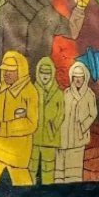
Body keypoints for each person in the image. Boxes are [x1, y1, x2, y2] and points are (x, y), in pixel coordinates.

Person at [0, 0, 90, 81]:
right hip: (11, 79)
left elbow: (72, 31)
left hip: (40, 79)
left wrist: (80, 8)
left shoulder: (49, 13)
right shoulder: (6, 11)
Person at [0, 51, 38, 186]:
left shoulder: (29, 92)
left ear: (20, 71)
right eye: (5, 69)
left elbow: (31, 123)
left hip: (17, 150)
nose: (7, 73)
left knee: (21, 180)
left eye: (11, 70)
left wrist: (2, 127)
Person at [55, 62, 97, 183]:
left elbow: (93, 114)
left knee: (74, 171)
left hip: (78, 137)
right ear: (71, 77)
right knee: (60, 171)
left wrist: (82, 127)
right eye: (75, 76)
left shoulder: (89, 94)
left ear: (85, 77)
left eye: (80, 77)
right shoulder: (66, 93)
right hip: (63, 137)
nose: (78, 80)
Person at [30, 57, 64, 185]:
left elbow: (61, 113)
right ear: (38, 73)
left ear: (52, 73)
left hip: (51, 138)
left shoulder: (58, 93)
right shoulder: (32, 90)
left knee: (48, 168)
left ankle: (48, 190)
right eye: (42, 72)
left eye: (48, 72)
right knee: (31, 166)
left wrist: (53, 127)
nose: (45, 76)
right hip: (34, 136)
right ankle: (29, 190)